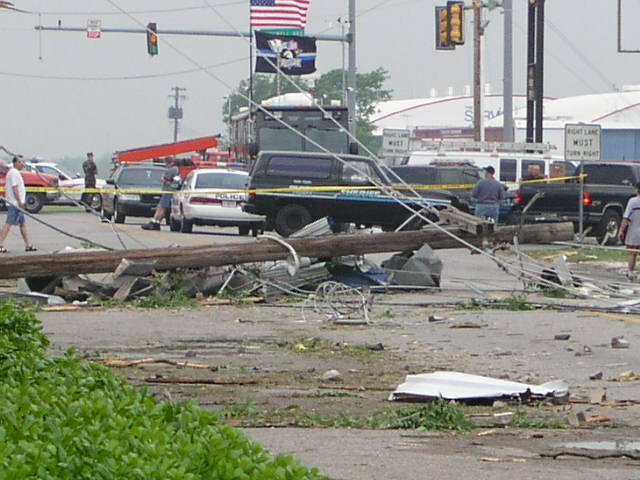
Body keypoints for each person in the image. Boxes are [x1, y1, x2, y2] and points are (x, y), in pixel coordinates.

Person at [0, 155, 36, 253]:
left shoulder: (13, 172)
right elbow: (15, 188)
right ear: (15, 163)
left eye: (23, 162)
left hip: (16, 203)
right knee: (8, 224)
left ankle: (28, 245)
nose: (23, 164)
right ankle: (0, 244)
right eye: (21, 162)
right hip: (15, 204)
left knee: (23, 224)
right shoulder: (14, 173)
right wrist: (20, 202)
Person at [142, 157, 179, 230]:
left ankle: (156, 222)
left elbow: (168, 181)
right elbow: (176, 182)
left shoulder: (172, 170)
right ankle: (155, 221)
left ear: (170, 163)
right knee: (160, 207)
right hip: (169, 191)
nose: (166, 165)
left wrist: (164, 180)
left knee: (162, 208)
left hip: (168, 192)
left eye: (166, 163)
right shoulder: (176, 170)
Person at [619, 182, 640, 280]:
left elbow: (626, 218)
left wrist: (621, 230)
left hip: (634, 231)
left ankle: (630, 272)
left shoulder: (633, 201)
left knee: (632, 253)